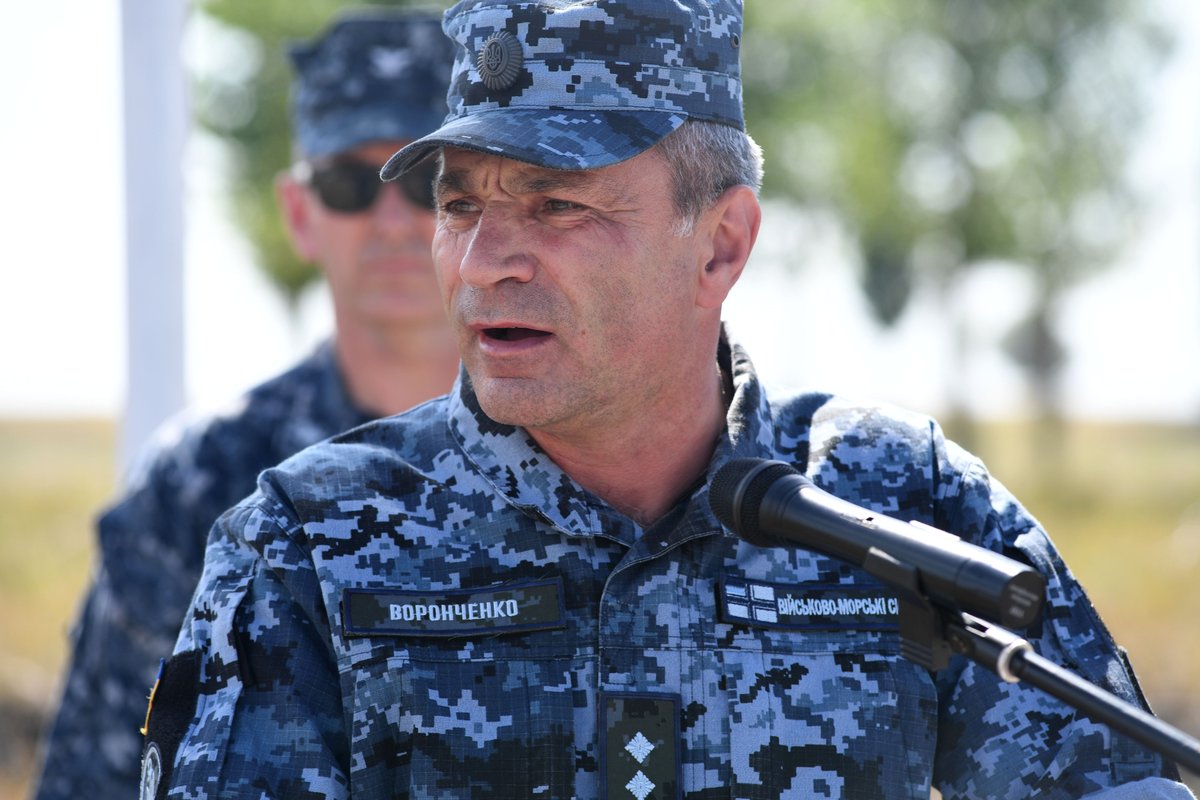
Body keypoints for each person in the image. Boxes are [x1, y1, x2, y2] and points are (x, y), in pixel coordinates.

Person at [140, 0, 1195, 798]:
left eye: (555, 205)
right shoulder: (310, 547)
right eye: (458, 204)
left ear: (723, 241)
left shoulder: (904, 505)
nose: (483, 262)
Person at [30, 10, 457, 800]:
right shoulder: (202, 482)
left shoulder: (570, 455)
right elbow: (96, 776)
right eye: (348, 185)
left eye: (429, 184)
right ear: (299, 213)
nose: (394, 221)